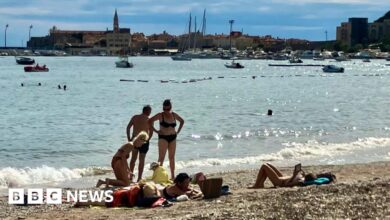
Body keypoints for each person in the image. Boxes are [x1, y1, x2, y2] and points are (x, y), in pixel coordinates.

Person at [149, 99, 184, 179]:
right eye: (164, 109)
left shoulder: (174, 115)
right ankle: (157, 176)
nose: (166, 111)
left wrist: (178, 131)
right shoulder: (160, 115)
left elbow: (182, 121)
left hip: (173, 137)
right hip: (163, 138)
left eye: (167, 109)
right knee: (161, 158)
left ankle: (172, 176)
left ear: (171, 107)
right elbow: (149, 121)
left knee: (172, 157)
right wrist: (156, 131)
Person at [127, 105, 153, 182]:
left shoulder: (135, 117)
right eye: (150, 111)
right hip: (144, 140)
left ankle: (130, 177)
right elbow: (151, 132)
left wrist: (129, 138)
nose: (150, 113)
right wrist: (148, 139)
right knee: (142, 160)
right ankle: (139, 178)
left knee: (133, 159)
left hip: (134, 140)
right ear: (147, 111)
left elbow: (128, 127)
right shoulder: (149, 119)